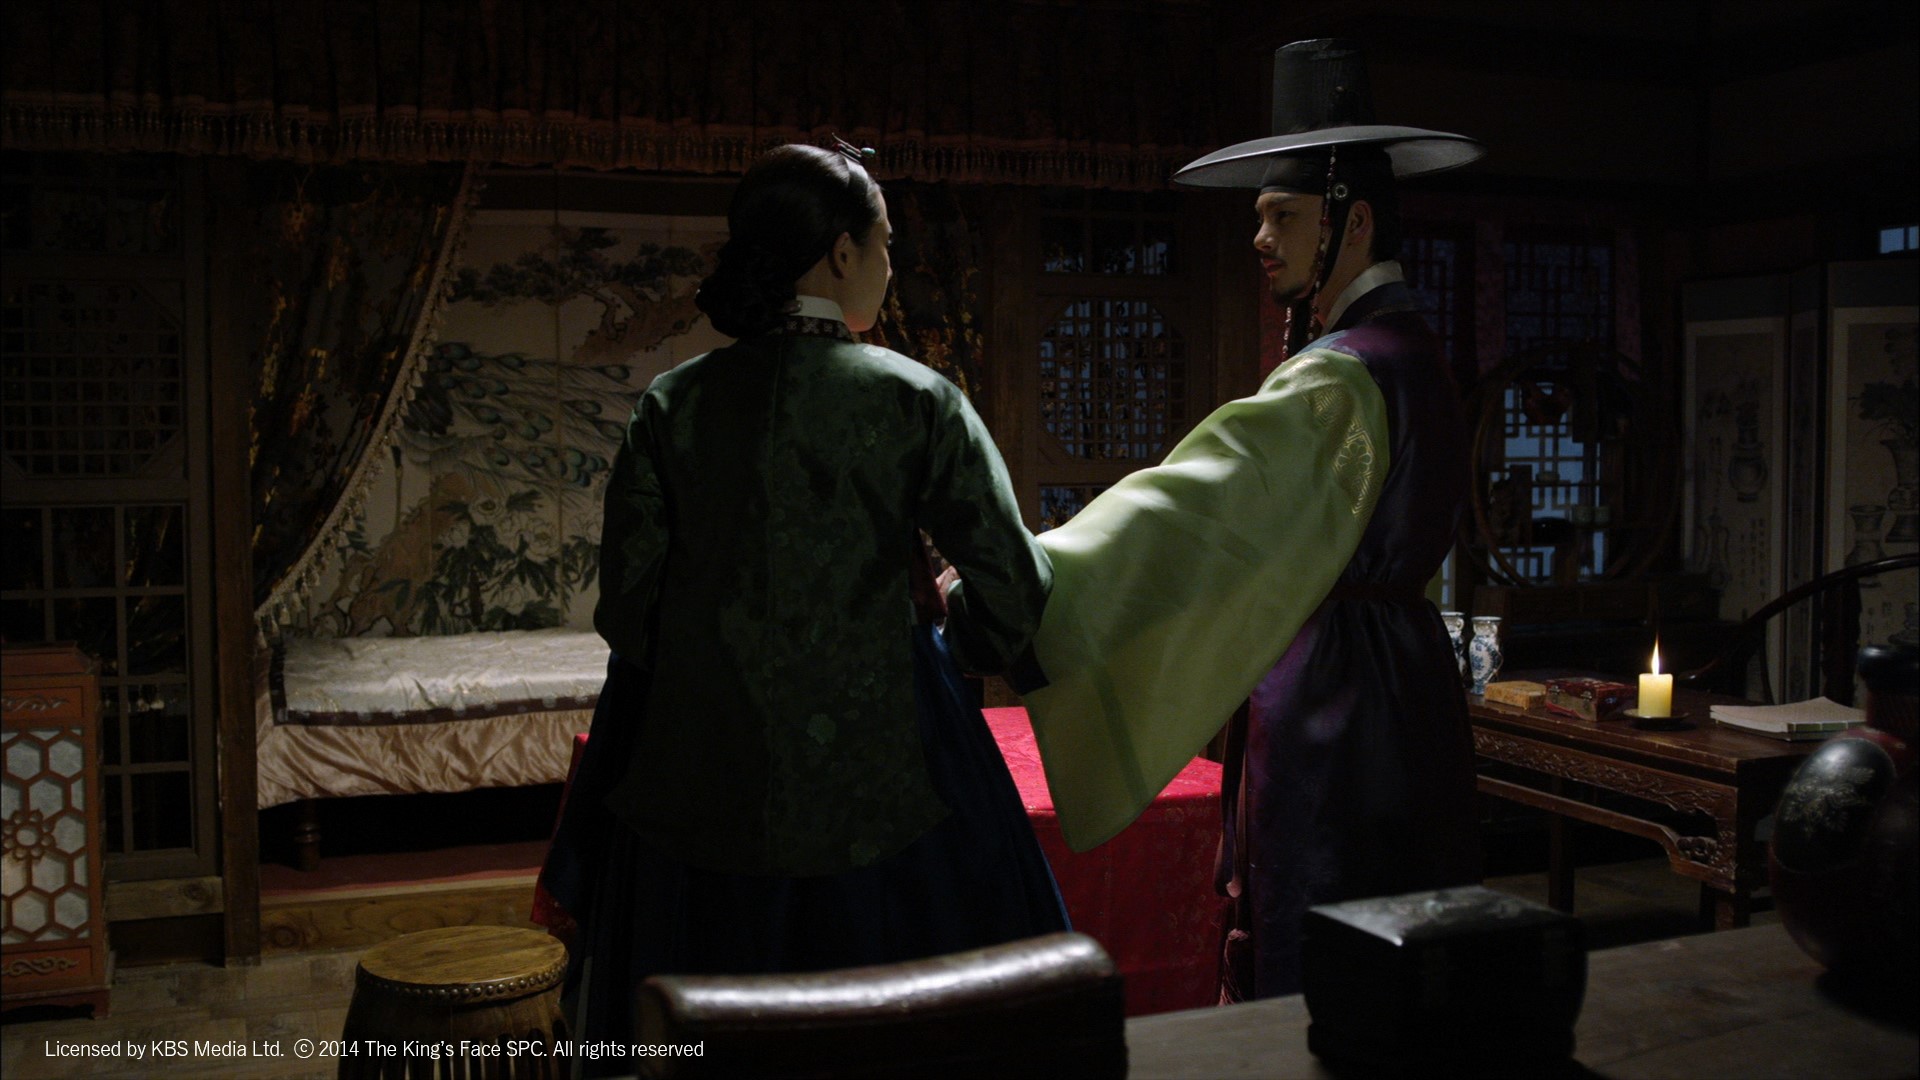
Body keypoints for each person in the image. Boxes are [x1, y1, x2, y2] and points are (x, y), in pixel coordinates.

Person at [539, 143, 1066, 1072]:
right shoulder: (916, 399)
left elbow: (627, 610)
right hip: (891, 761)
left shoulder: (673, 405)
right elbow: (1015, 588)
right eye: (885, 243)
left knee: (701, 1025)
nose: (891, 264)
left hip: (700, 770)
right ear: (840, 253)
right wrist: (960, 636)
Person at [1014, 39, 1484, 1001]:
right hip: (1408, 679)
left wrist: (1032, 574)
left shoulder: (1343, 372)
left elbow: (1194, 509)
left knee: (1322, 922)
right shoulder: (1412, 349)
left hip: (1335, 693)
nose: (1260, 238)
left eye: (1282, 216)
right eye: (1260, 217)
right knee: (1405, 927)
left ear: (1353, 221)